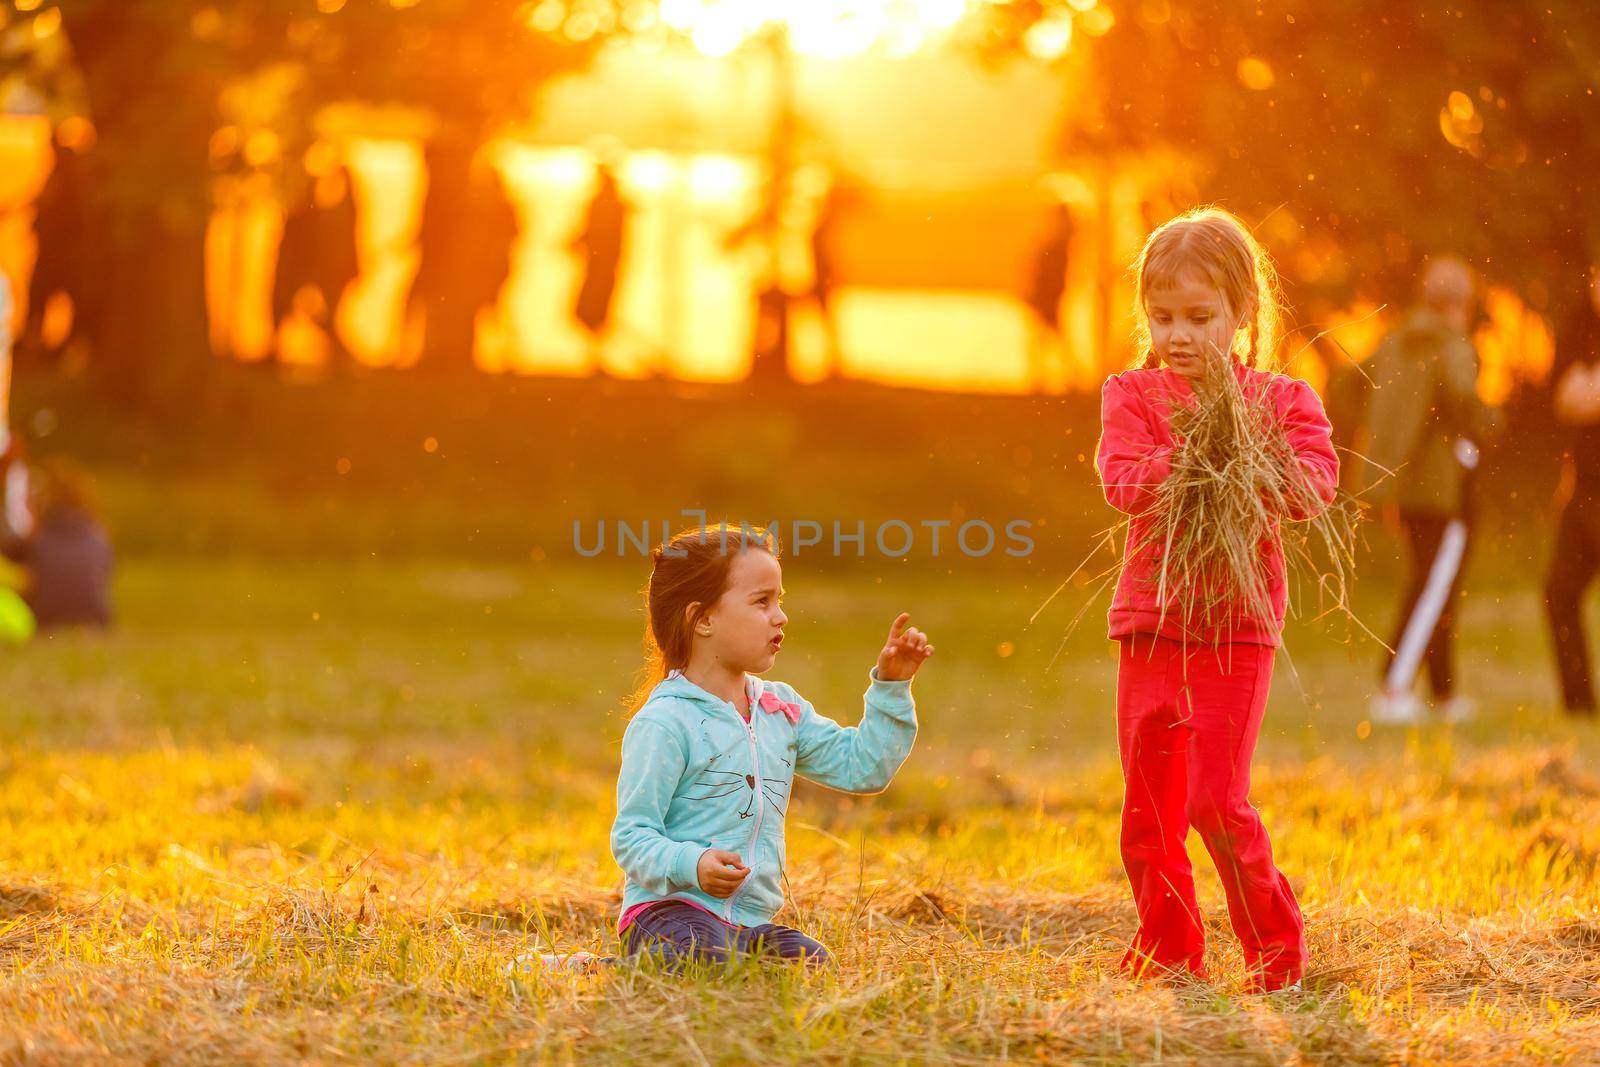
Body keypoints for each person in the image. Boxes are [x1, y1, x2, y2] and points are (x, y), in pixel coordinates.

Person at [1096, 207, 1338, 994]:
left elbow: (1314, 486)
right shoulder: (1131, 396)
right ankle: (1168, 944)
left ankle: (1276, 947)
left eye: (1200, 317)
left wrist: (1254, 457)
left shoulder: (1280, 399)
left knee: (1213, 800)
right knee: (1149, 810)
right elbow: (1122, 481)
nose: (1179, 334)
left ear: (1242, 313)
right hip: (1151, 622)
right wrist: (1193, 456)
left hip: (1237, 626)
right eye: (1162, 317)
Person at [522, 523, 932, 975]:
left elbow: (864, 769)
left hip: (747, 923)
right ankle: (585, 968)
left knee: (813, 964)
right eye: (762, 601)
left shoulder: (781, 710)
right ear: (703, 619)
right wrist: (692, 863)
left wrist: (892, 688)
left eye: (780, 600)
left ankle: (712, 960)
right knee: (703, 960)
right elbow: (632, 837)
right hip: (667, 913)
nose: (780, 616)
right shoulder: (665, 722)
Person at [1361, 258, 1499, 725]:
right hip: (1445, 489)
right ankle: (1393, 688)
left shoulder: (1396, 340)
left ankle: (1443, 693)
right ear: (1462, 304)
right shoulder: (1453, 344)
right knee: (1432, 588)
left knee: (1432, 584)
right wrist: (1492, 421)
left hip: (1405, 486)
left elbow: (1358, 391)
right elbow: (1465, 403)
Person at [1544, 266, 1600, 717]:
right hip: (1583, 490)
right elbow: (1567, 401)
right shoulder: (1581, 326)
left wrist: (1588, 382)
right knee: (1559, 592)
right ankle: (1579, 703)